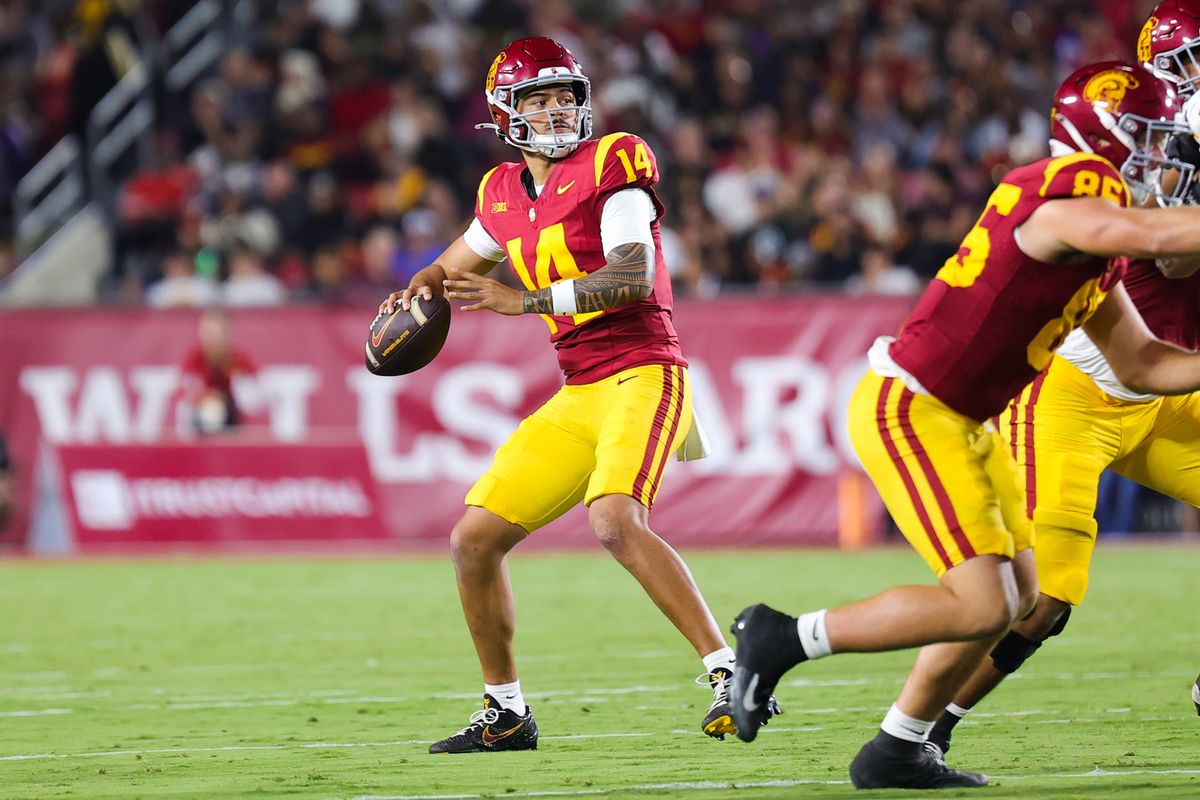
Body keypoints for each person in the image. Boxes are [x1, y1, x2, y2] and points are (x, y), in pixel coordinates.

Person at [728, 60, 1200, 789]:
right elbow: (1136, 228)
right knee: (981, 601)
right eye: (1152, 139)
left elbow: (1145, 366)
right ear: (1103, 135)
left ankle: (898, 748)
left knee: (1013, 603)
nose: (1166, 157)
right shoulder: (1063, 194)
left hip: (966, 420)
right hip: (913, 407)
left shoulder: (1097, 245)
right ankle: (781, 636)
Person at [379, 36, 778, 755]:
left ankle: (731, 671)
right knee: (473, 540)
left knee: (614, 520)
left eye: (566, 96)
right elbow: (448, 266)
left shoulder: (613, 161)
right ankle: (505, 711)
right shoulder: (500, 191)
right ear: (505, 112)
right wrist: (415, 293)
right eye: (539, 99)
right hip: (581, 386)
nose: (558, 109)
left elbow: (629, 274)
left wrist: (520, 299)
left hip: (646, 369)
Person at [921, 7, 1200, 761]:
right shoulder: (1124, 166)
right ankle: (921, 730)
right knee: (1042, 602)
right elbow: (1172, 256)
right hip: (1076, 395)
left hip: (1167, 388)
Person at [179, 307, 255, 435]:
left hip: (232, 419)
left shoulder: (237, 359)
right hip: (198, 418)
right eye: (208, 332)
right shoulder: (194, 358)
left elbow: (252, 399)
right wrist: (211, 397)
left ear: (227, 333)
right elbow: (188, 393)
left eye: (218, 333)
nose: (212, 338)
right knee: (207, 409)